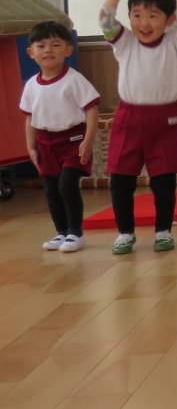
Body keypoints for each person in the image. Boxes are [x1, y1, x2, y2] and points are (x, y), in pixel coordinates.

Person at [100, 0, 177, 254]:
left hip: (165, 119)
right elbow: (105, 18)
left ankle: (163, 231)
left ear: (169, 20)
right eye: (137, 15)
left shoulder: (175, 43)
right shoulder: (124, 42)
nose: (144, 23)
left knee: (163, 180)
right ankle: (125, 233)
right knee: (120, 179)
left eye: (152, 16)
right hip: (129, 117)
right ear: (130, 17)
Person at [20, 21, 99, 253]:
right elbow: (30, 118)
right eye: (41, 46)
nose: (48, 50)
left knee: (67, 185)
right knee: (51, 190)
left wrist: (88, 140)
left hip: (73, 140)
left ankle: (76, 233)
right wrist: (31, 146)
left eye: (55, 45)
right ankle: (62, 231)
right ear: (31, 53)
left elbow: (92, 110)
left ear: (68, 50)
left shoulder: (74, 79)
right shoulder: (31, 85)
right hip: (46, 143)